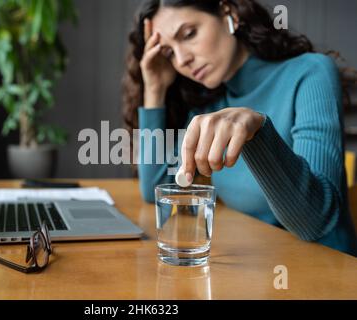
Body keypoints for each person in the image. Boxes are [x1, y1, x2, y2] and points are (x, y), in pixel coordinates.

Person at [122, 0, 357, 256]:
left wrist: (257, 131)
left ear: (228, 13)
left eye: (189, 34)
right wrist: (155, 89)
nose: (182, 59)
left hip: (328, 276)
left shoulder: (310, 73)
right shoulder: (208, 107)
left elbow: (314, 223)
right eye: (168, 53)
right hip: (258, 271)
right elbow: (157, 190)